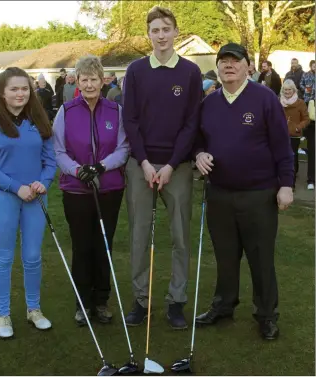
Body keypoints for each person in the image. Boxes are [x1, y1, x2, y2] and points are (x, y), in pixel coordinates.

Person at [194, 43, 293, 341]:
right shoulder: (208, 103)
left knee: (260, 258)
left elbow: (282, 146)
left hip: (259, 194)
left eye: (235, 61)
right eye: (223, 61)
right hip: (220, 193)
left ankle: (266, 315)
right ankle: (224, 305)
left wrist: (286, 184)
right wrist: (199, 154)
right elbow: (198, 140)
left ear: (248, 66)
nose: (228, 66)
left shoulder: (264, 98)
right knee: (225, 257)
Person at [123, 6, 202, 330]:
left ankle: (176, 302)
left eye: (166, 29)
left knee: (180, 237)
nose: (161, 35)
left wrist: (170, 164)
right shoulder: (136, 70)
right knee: (139, 235)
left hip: (178, 166)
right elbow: (130, 119)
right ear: (149, 34)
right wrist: (143, 162)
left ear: (175, 32)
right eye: (155, 30)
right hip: (140, 165)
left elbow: (192, 122)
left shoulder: (191, 72)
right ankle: (141, 300)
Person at [0, 67, 57, 338]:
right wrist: (16, 187)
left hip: (34, 198)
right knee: (4, 257)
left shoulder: (38, 118)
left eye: (25, 88)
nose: (20, 93)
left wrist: (43, 183)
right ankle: (3, 314)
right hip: (3, 198)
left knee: (33, 257)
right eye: (14, 89)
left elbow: (50, 160)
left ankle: (33, 309)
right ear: (1, 93)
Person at [53, 55, 129, 326]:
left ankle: (101, 300)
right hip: (76, 190)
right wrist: (78, 170)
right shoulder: (67, 111)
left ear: (102, 80)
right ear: (77, 80)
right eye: (83, 79)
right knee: (82, 246)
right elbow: (58, 151)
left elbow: (123, 148)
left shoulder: (115, 110)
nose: (89, 84)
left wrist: (100, 167)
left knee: (103, 246)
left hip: (109, 188)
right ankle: (82, 303)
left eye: (93, 79)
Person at [280, 79, 309, 190]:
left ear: (293, 90)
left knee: (292, 158)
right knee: (281, 158)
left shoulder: (300, 103)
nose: (287, 92)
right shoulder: (278, 101)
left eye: (289, 90)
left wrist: (298, 127)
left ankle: (291, 183)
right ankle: (281, 181)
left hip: (294, 135)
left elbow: (306, 119)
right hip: (281, 134)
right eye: (285, 90)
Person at [300, 60, 315, 189]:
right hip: (308, 100)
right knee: (308, 120)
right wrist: (306, 89)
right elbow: (301, 84)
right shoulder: (306, 75)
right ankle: (311, 179)